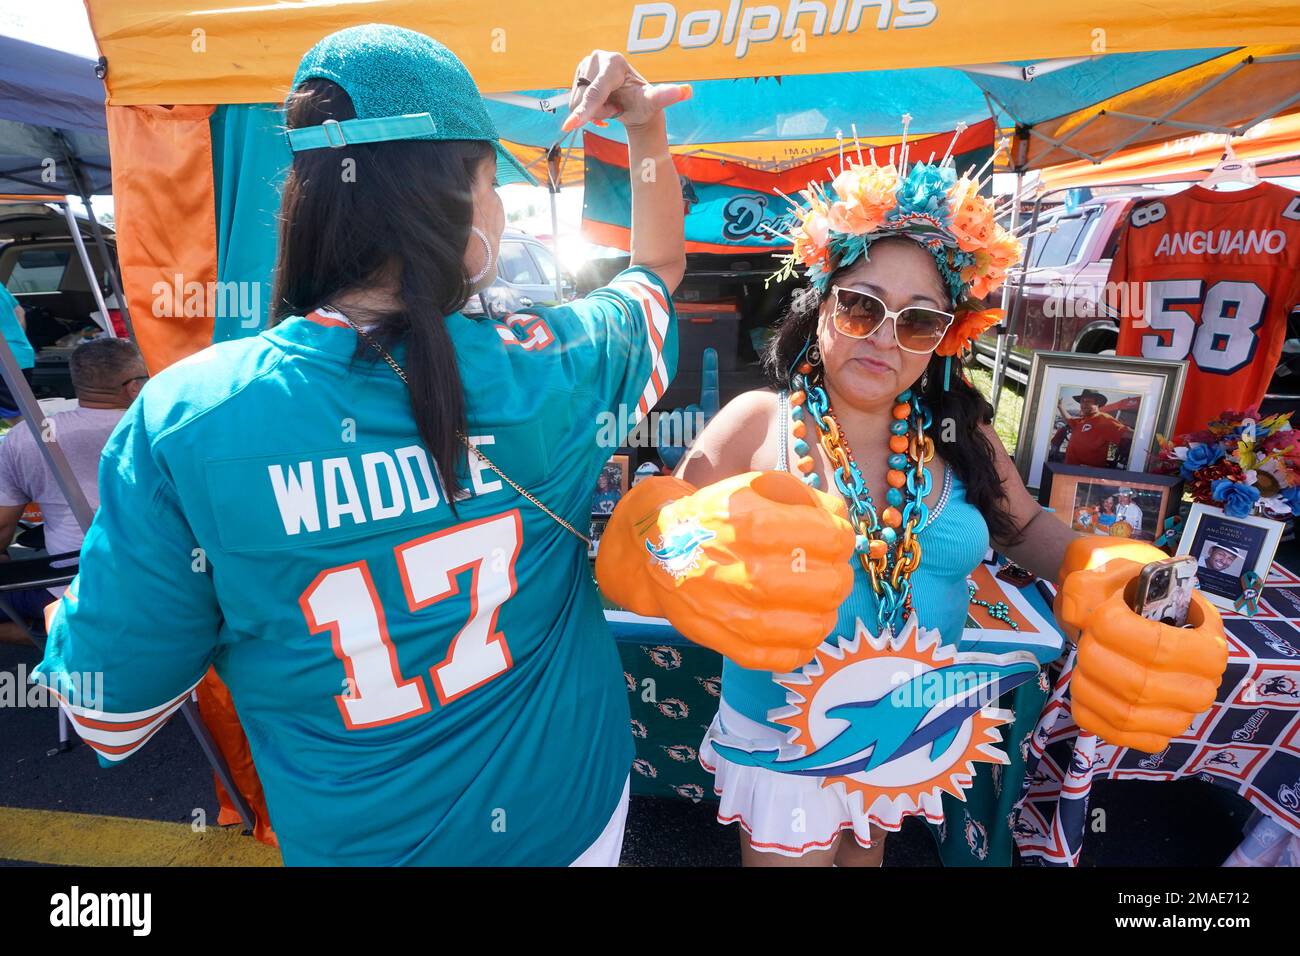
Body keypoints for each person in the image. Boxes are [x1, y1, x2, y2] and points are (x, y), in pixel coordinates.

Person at [35, 25, 694, 866]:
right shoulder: (556, 366)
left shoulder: (188, 416)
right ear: (467, 195)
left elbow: (109, 713)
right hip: (569, 821)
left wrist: (70, 615)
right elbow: (659, 269)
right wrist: (643, 129)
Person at [596, 143, 1229, 867]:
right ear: (822, 306)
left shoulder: (964, 436)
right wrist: (674, 546)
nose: (885, 338)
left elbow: (1026, 531)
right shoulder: (756, 421)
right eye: (862, 306)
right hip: (781, 730)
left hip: (910, 720)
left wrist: (1110, 566)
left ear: (946, 339)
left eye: (919, 321)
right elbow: (662, 532)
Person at [0, 338, 147, 642]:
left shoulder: (30, 435)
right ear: (133, 387)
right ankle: (80, 634)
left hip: (70, 582)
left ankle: (65, 636)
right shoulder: (163, 427)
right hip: (162, 577)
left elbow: (2, 525)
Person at [1050, 389, 1134, 467]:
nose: (1083, 404)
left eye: (1088, 401)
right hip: (1069, 468)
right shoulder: (1083, 420)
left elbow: (1130, 434)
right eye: (1082, 401)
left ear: (1098, 403)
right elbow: (1068, 419)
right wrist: (1060, 406)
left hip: (1086, 474)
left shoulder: (1104, 419)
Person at [0, 278, 37, 421]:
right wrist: (15, 338)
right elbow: (19, 311)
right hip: (21, 353)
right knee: (22, 410)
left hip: (4, 360)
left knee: (18, 416)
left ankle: (37, 442)